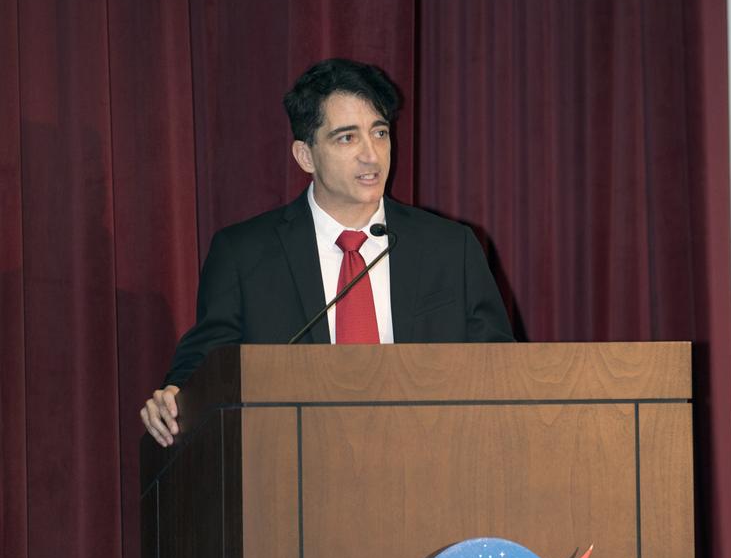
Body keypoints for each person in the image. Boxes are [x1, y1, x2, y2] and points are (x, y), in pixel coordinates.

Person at [141, 58, 513, 446]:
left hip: (429, 465)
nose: (372, 155)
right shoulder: (244, 254)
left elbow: (502, 369)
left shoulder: (450, 248)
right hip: (295, 472)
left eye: (380, 133)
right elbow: (204, 365)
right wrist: (173, 395)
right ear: (305, 156)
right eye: (347, 138)